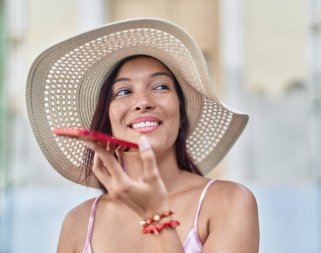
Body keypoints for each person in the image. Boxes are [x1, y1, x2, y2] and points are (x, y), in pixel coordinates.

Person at [26, 18, 259, 253]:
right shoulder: (78, 223)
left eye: (160, 87)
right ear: (107, 122)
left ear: (181, 115)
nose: (143, 102)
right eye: (124, 91)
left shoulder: (228, 202)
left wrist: (155, 215)